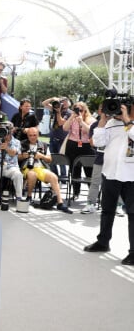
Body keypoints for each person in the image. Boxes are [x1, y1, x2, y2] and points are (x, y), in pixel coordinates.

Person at [84, 103, 134, 266]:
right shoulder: (112, 123)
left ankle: (133, 252)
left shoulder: (130, 123)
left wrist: (127, 120)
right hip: (110, 173)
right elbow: (97, 142)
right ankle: (103, 242)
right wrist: (103, 121)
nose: (119, 111)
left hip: (131, 177)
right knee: (107, 211)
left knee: (133, 215)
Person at [19, 127, 72, 213]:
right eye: (30, 135)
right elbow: (16, 157)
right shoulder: (22, 144)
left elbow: (49, 159)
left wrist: (41, 156)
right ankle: (29, 197)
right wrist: (23, 156)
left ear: (38, 135)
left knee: (54, 177)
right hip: (27, 167)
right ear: (27, 136)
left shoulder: (43, 144)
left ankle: (60, 203)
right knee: (32, 175)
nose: (32, 137)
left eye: (34, 135)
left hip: (40, 167)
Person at [62, 101, 96, 199]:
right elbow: (65, 128)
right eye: (76, 109)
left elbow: (91, 131)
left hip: (86, 146)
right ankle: (75, 193)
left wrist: (82, 122)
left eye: (80, 110)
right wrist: (72, 117)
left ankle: (92, 195)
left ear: (85, 110)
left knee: (89, 170)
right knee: (74, 170)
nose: (78, 112)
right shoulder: (72, 118)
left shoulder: (91, 119)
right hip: (72, 144)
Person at [0, 122, 23, 204]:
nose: (6, 133)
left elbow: (14, 153)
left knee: (18, 174)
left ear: (12, 131)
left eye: (8, 130)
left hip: (11, 166)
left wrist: (7, 148)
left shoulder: (17, 142)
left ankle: (19, 197)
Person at [42, 96, 71, 177]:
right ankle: (55, 176)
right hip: (53, 137)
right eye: (61, 101)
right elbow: (44, 103)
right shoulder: (56, 109)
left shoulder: (69, 113)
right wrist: (52, 99)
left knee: (61, 159)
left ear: (68, 103)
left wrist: (58, 112)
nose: (63, 103)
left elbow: (61, 122)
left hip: (62, 139)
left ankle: (63, 178)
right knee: (52, 159)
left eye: (65, 101)